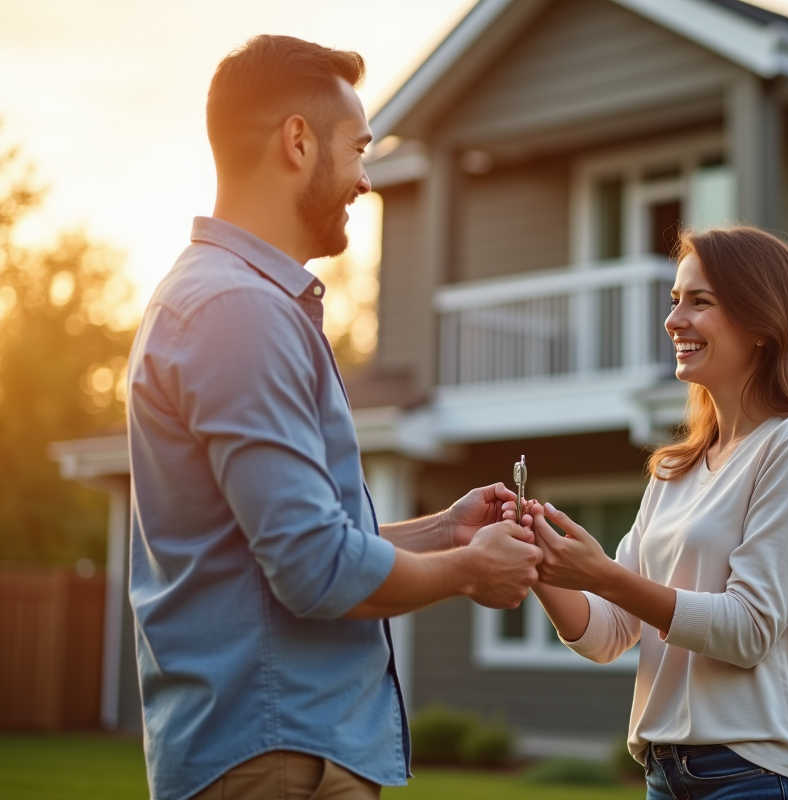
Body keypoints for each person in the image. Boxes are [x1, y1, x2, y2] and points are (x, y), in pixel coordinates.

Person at [125, 35, 541, 800]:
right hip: (279, 756)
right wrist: (468, 570)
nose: (367, 180)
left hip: (277, 747)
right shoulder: (239, 311)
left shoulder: (228, 300)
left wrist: (440, 531)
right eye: (359, 150)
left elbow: (276, 553)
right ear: (297, 141)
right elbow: (314, 571)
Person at [528, 226, 788, 799]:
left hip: (762, 775)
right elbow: (610, 633)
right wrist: (541, 560)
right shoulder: (675, 471)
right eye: (674, 302)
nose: (673, 321)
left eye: (700, 302)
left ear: (762, 324)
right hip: (666, 776)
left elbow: (748, 630)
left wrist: (602, 574)